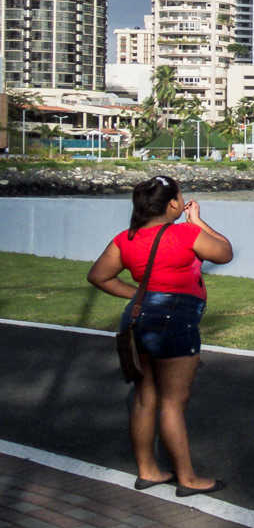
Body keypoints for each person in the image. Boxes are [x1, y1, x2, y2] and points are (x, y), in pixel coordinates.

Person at [87, 175, 233, 495]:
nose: (183, 201)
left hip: (137, 318)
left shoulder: (126, 238)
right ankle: (188, 478)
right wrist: (198, 220)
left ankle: (148, 471)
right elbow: (224, 252)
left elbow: (98, 276)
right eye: (180, 197)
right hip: (174, 320)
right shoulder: (185, 232)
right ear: (172, 204)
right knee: (172, 403)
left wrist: (139, 294)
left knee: (144, 398)